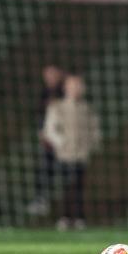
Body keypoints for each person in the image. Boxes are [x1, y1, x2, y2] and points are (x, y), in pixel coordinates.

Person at [43, 75, 102, 231]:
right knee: (66, 185)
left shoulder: (87, 108)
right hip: (64, 154)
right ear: (66, 88)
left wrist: (92, 145)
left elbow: (94, 129)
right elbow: (50, 129)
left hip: (81, 154)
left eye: (79, 86)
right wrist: (61, 142)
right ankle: (65, 217)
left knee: (79, 186)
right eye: (73, 86)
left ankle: (79, 217)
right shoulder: (57, 107)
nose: (77, 89)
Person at [27, 65, 64, 217]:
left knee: (68, 173)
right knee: (43, 169)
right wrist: (42, 132)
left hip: (66, 141)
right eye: (47, 75)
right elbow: (39, 115)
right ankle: (41, 200)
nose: (49, 78)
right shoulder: (43, 94)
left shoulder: (64, 93)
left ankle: (67, 211)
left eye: (52, 74)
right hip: (49, 140)